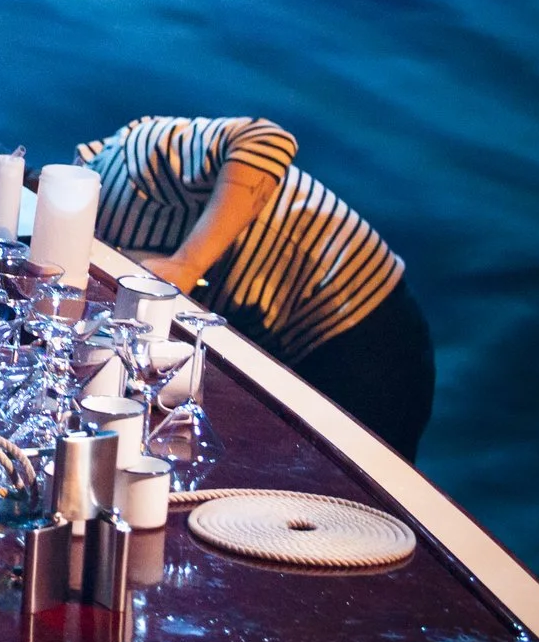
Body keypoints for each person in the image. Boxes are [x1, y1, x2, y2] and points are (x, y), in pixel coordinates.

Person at [74, 115, 433, 462]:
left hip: (365, 323)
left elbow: (267, 139)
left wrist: (187, 263)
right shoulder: (97, 239)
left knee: (357, 499)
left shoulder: (126, 158)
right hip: (287, 335)